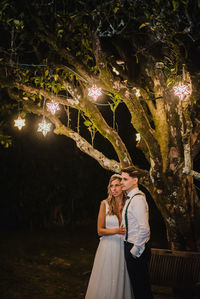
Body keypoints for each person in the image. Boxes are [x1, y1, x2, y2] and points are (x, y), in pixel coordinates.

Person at [85, 174, 134, 299]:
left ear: (122, 187)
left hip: (123, 247)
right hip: (108, 247)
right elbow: (100, 230)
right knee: (106, 277)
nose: (114, 189)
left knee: (121, 277)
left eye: (117, 185)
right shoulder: (105, 204)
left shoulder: (129, 204)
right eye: (111, 186)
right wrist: (116, 230)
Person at [121, 166, 154, 299]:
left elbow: (144, 229)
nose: (122, 182)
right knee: (137, 287)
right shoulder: (132, 198)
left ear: (135, 180)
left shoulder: (138, 199)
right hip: (131, 246)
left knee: (141, 289)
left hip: (136, 248)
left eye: (125, 179)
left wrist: (135, 251)